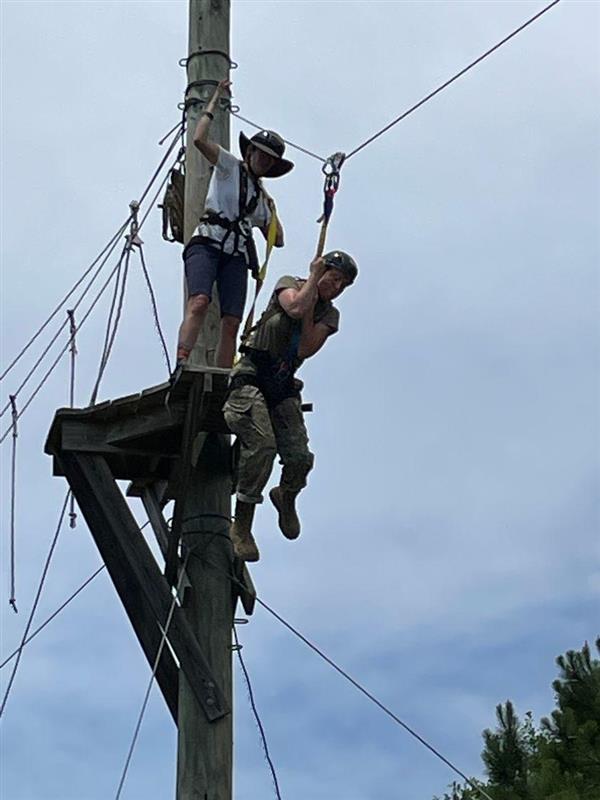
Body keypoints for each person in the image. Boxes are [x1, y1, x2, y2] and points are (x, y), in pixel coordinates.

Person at [223, 250, 358, 561]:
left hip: (281, 385)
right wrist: (312, 280)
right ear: (321, 271)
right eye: (333, 278)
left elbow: (307, 347)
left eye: (342, 285)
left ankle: (285, 495)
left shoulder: (329, 315)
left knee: (299, 457)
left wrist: (314, 307)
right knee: (262, 446)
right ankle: (242, 523)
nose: (335, 287)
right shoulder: (290, 284)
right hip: (251, 375)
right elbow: (295, 307)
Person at [176, 79, 292, 368]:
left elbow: (278, 239)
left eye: (269, 160)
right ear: (249, 152)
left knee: (232, 322)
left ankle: (224, 376)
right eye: (259, 154)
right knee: (199, 301)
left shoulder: (260, 199)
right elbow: (200, 140)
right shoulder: (228, 165)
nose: (262, 161)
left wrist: (269, 207)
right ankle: (182, 361)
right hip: (207, 241)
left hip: (236, 253)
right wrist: (213, 103)